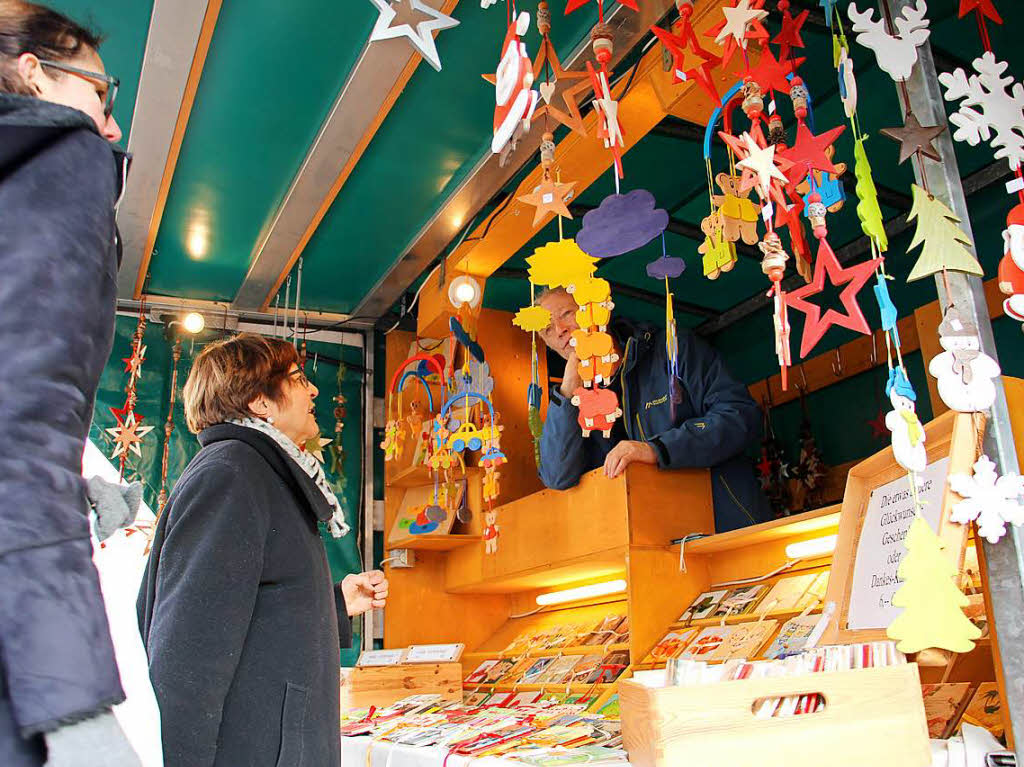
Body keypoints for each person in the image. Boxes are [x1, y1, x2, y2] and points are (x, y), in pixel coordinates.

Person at [138, 334, 389, 767]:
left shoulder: (263, 473)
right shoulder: (232, 474)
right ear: (260, 402)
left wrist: (333, 602)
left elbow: (249, 607)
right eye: (296, 378)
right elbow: (187, 647)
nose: (312, 390)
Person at [0, 3, 134, 766]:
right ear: (32, 72)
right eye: (100, 93)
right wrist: (74, 701)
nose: (108, 126)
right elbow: (23, 421)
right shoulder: (66, 157)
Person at [536, 287, 769, 532]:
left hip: (728, 527)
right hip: (653, 546)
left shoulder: (672, 348)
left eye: (567, 313)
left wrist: (658, 449)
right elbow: (557, 477)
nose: (560, 330)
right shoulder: (574, 399)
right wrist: (567, 393)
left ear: (596, 310)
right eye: (547, 330)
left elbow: (740, 415)